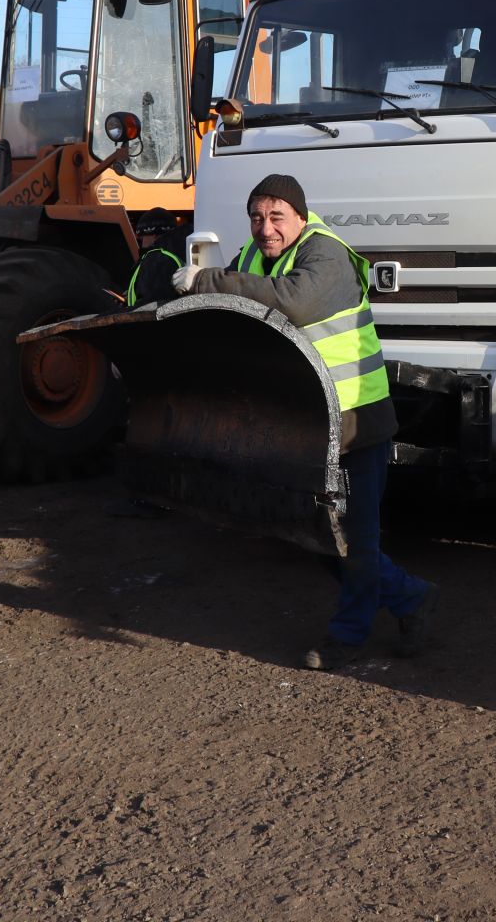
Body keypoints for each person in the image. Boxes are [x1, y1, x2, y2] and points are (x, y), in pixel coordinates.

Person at [171, 173, 438, 670]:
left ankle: (347, 640)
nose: (265, 228)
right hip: (310, 423)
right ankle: (411, 597)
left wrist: (206, 279)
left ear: (300, 216)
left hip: (357, 419)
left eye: (276, 217)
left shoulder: (326, 255)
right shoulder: (252, 258)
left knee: (355, 540)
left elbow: (291, 300)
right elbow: (228, 302)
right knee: (321, 538)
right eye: (256, 217)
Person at [123, 207, 188, 308]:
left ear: (153, 235)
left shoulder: (157, 260)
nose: (140, 241)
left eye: (141, 237)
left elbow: (150, 307)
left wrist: (127, 309)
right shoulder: (173, 255)